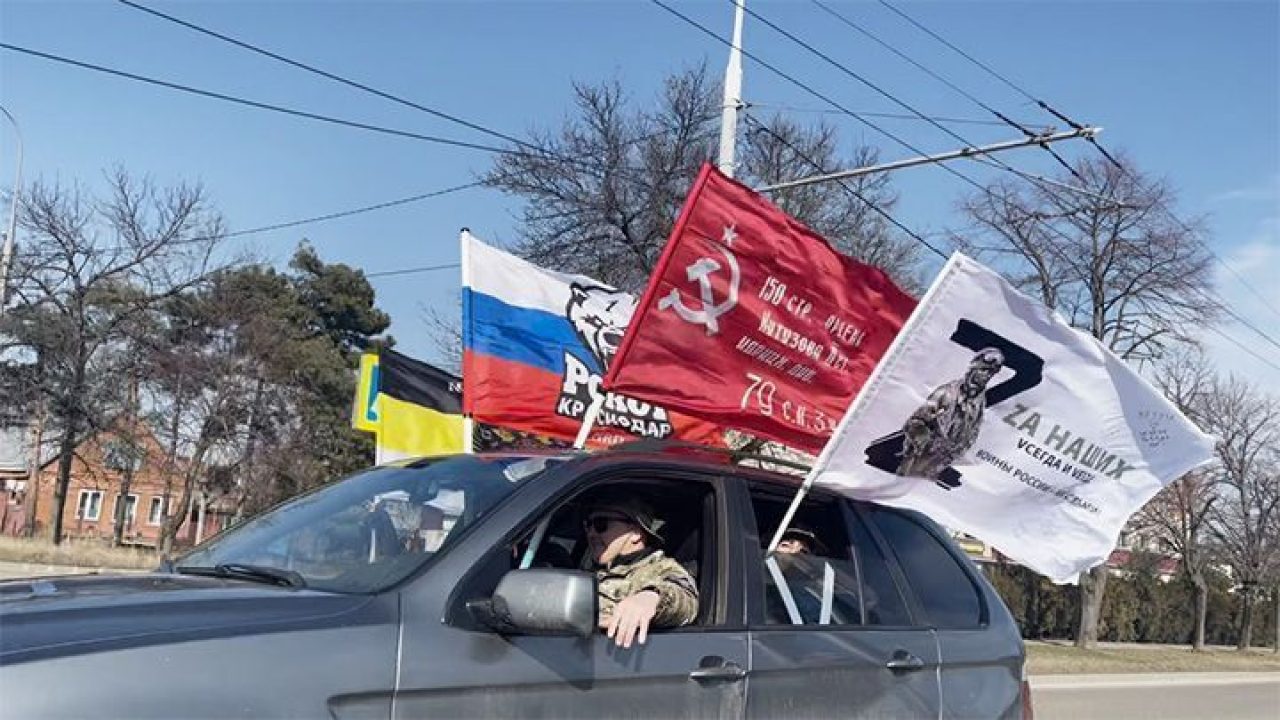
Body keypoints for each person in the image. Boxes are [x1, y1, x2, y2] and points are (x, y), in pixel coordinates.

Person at [584, 496, 698, 649]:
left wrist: (651, 598)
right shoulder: (588, 572)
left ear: (636, 533)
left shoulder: (659, 568)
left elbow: (686, 598)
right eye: (588, 525)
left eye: (600, 525)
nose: (591, 533)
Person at [898, 347, 1005, 484]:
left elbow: (972, 433)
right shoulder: (946, 393)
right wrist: (923, 441)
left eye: (991, 373)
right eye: (984, 370)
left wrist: (953, 455)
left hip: (941, 464)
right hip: (919, 458)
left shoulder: (980, 402)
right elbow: (915, 422)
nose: (987, 376)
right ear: (973, 369)